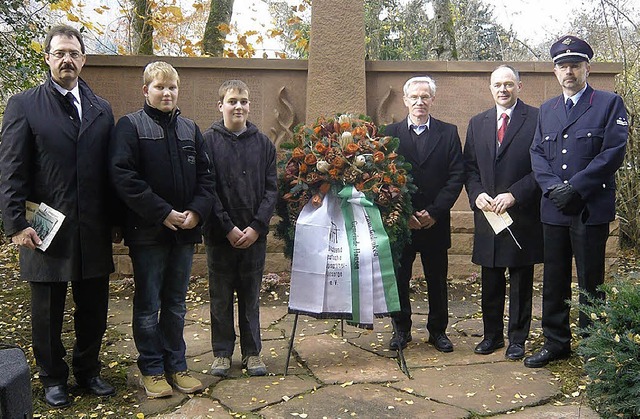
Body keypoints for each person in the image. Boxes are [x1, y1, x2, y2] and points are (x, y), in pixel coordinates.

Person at [0, 24, 118, 408]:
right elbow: (11, 169)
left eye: (74, 53)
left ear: (83, 59)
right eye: (60, 53)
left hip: (92, 228)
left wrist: (116, 221)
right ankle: (53, 377)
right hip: (43, 229)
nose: (67, 59)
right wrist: (15, 224)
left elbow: (110, 170)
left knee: (94, 308)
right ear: (48, 58)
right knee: (47, 312)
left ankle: (88, 372)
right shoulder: (24, 105)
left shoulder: (102, 109)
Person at [109, 61, 215, 396]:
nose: (166, 93)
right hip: (148, 233)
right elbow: (123, 177)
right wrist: (162, 212)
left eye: (172, 87)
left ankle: (177, 365)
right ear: (146, 90)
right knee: (147, 304)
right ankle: (152, 369)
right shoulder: (130, 127)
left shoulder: (189, 129)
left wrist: (197, 212)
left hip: (184, 233)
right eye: (159, 87)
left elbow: (207, 178)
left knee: (175, 304)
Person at [526, 35, 628, 368]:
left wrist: (576, 188)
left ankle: (591, 345)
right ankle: (556, 342)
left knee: (590, 280)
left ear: (587, 68)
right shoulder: (547, 109)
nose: (568, 72)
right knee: (553, 279)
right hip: (554, 207)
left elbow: (613, 151)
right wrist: (554, 188)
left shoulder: (609, 103)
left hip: (588, 207)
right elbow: (537, 152)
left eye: (574, 65)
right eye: (562, 66)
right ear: (555, 72)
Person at [463, 65, 542, 361]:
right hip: (487, 215)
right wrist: (476, 194)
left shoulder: (536, 119)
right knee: (490, 279)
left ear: (519, 86)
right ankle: (492, 335)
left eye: (509, 84)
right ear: (490, 88)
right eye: (498, 85)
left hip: (521, 214)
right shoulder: (477, 122)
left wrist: (515, 195)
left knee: (521, 281)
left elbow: (541, 168)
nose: (503, 90)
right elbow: (468, 167)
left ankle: (517, 340)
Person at [384, 76, 465, 352]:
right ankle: (401, 330)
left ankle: (437, 331)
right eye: (414, 97)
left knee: (437, 280)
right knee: (399, 278)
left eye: (425, 96)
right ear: (405, 100)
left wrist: (434, 211)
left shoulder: (448, 132)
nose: (420, 102)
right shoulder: (389, 134)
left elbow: (456, 177)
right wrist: (403, 213)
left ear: (432, 100)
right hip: (402, 222)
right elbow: (382, 178)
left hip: (435, 222)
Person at [203, 80, 277, 377]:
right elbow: (206, 188)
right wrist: (228, 227)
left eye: (243, 101)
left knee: (250, 296)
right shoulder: (207, 141)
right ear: (220, 105)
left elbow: (272, 189)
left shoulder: (264, 144)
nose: (238, 106)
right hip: (220, 237)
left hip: (254, 237)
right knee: (220, 296)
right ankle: (222, 352)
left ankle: (252, 352)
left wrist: (257, 227)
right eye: (232, 101)